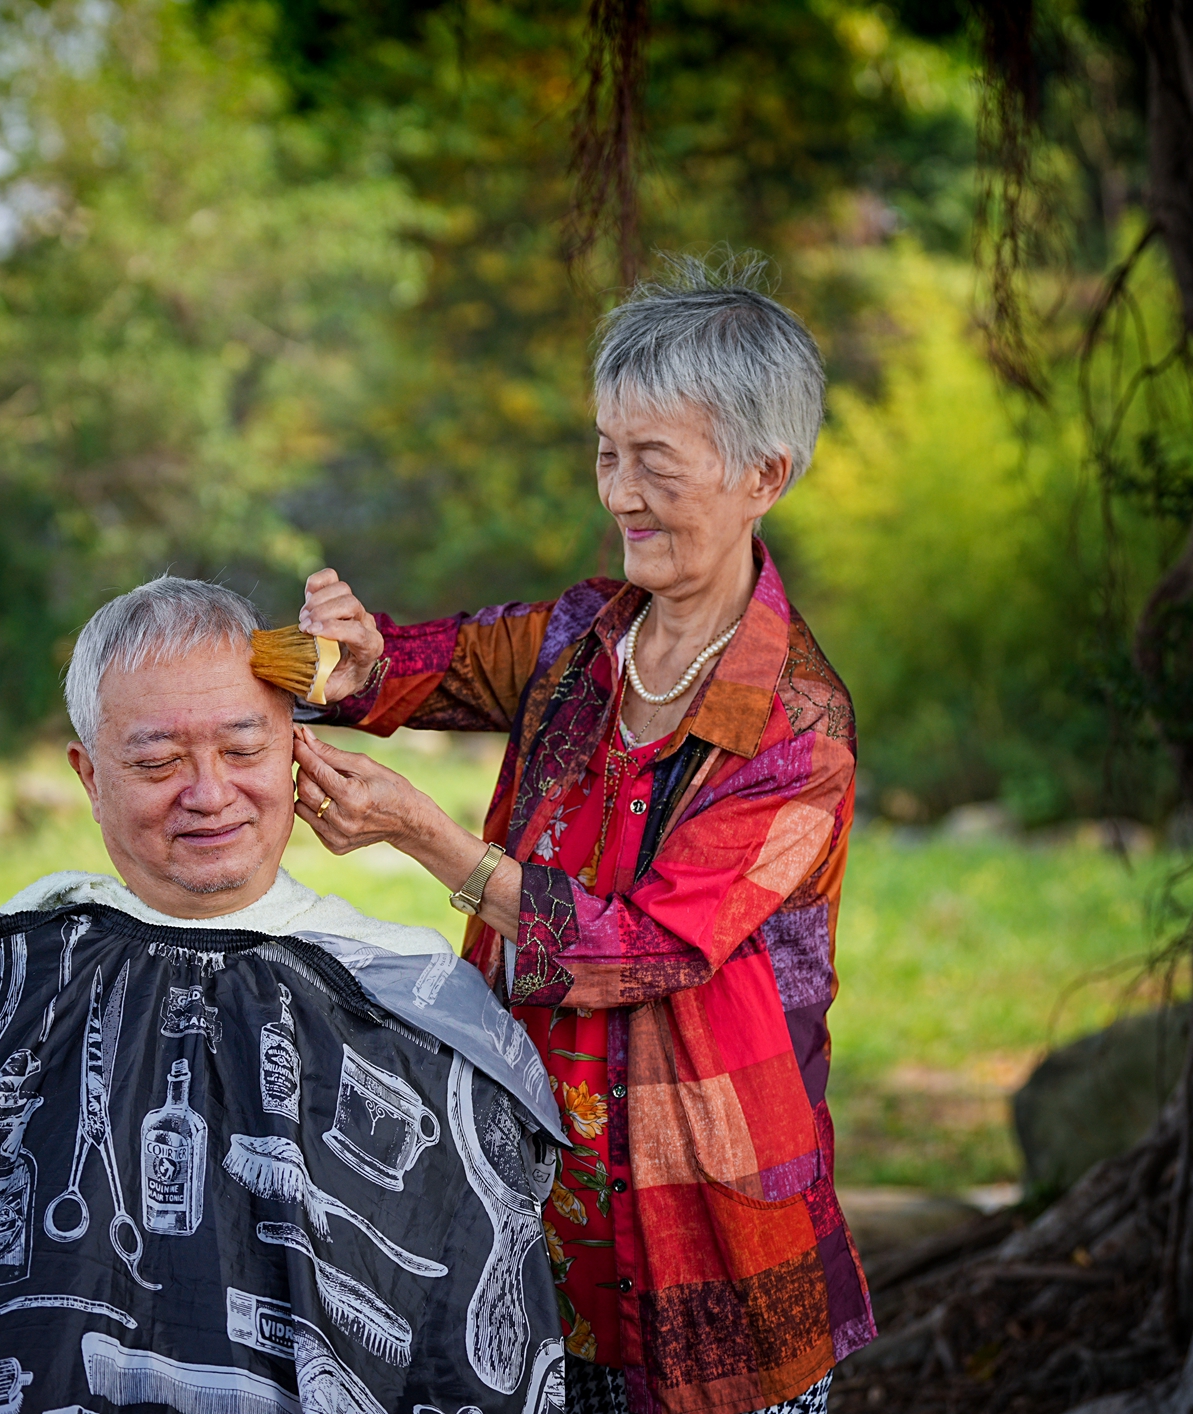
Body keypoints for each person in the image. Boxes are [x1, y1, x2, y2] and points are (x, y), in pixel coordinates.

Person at [0, 577, 568, 1414]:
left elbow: (463, 1338)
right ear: (89, 777)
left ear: (296, 752)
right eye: (157, 762)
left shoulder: (408, 1011)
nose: (207, 793)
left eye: (242, 751)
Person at [286, 255, 872, 1414]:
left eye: (656, 459)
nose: (620, 490)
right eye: (609, 450)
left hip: (707, 1216)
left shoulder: (797, 726)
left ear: (765, 472)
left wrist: (428, 838)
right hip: (534, 1186)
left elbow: (642, 948)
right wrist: (355, 663)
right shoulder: (579, 637)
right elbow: (428, 664)